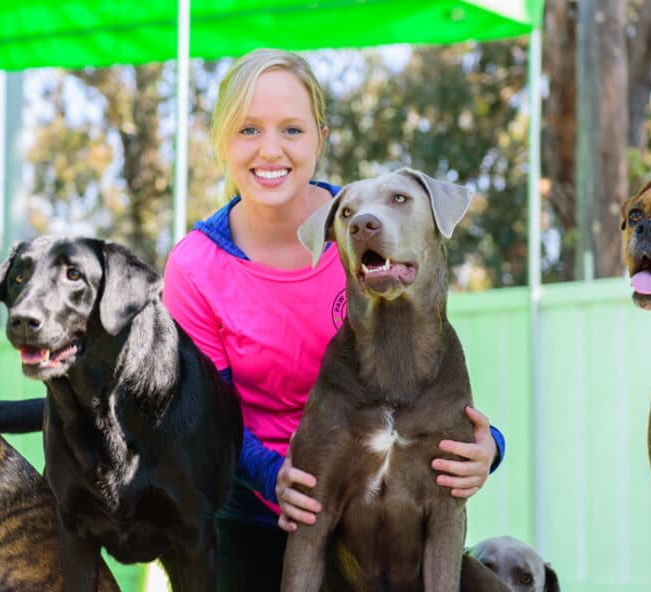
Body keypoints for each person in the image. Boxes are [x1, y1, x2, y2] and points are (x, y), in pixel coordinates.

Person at [162, 48, 506, 591]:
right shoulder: (195, 267)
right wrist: (269, 474)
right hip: (252, 516)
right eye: (248, 129)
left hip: (375, 522)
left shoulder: (371, 231)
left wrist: (492, 447)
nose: (270, 149)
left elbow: (425, 382)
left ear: (320, 139)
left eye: (292, 129)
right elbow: (205, 418)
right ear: (223, 141)